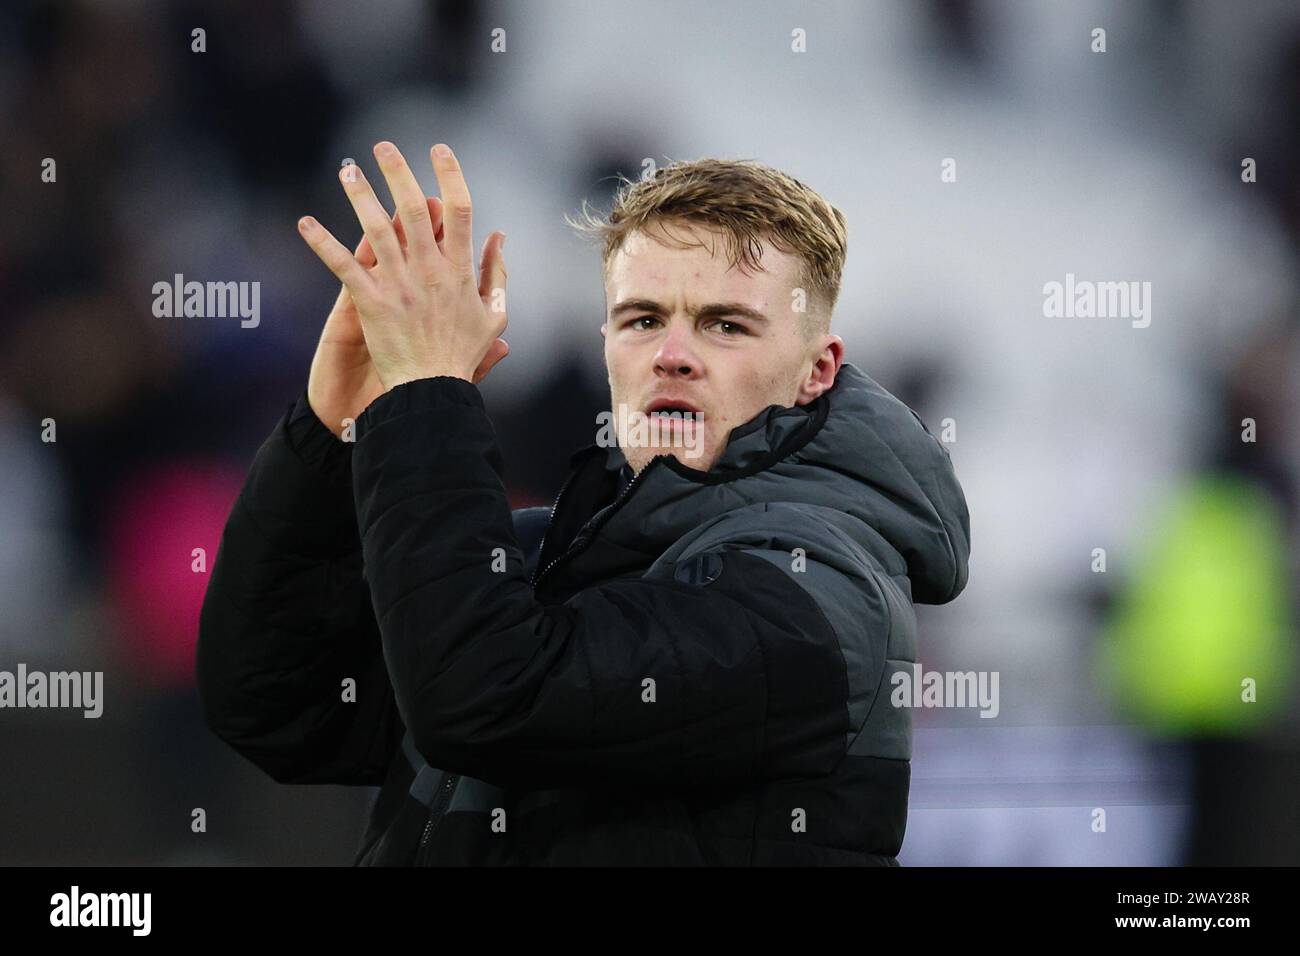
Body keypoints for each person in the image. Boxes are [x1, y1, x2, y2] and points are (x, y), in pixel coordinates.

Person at [196, 143, 971, 865]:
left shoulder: (819, 595)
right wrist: (332, 431)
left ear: (817, 370)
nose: (671, 353)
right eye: (642, 319)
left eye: (725, 325)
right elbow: (273, 702)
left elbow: (487, 696)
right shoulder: (542, 563)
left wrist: (429, 398)